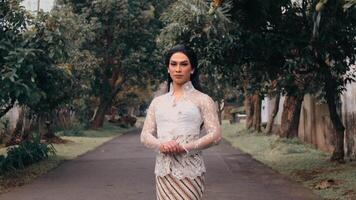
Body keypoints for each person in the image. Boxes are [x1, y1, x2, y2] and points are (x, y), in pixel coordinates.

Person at [140, 44, 222, 200]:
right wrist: (161, 145)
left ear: (192, 69)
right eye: (173, 64)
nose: (178, 69)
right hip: (163, 170)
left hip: (190, 172)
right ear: (168, 68)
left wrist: (184, 148)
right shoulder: (158, 102)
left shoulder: (203, 100)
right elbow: (145, 135)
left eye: (184, 64)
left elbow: (215, 135)